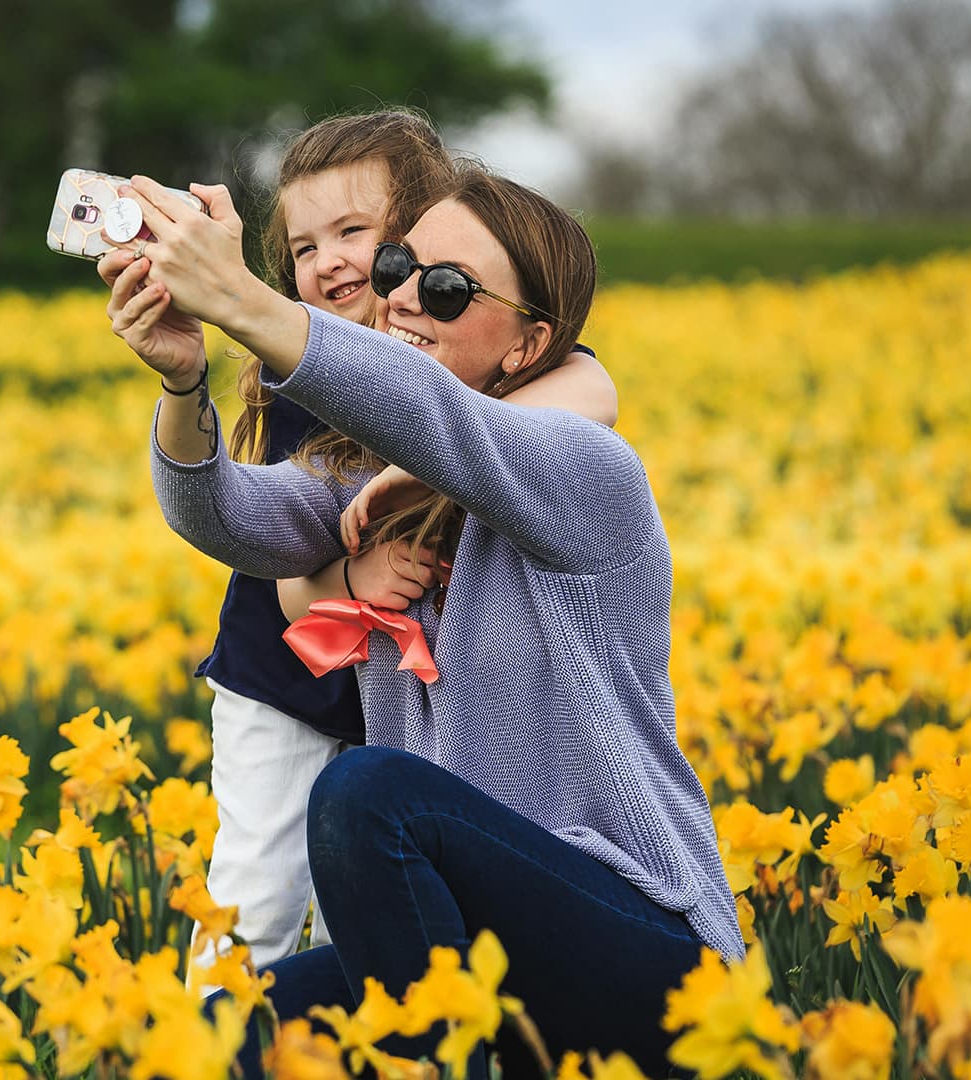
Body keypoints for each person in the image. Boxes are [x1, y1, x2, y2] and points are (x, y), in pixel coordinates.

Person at [119, 163, 740, 1075]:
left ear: (528, 348)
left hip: (654, 960)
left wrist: (240, 298)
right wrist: (182, 383)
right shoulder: (375, 483)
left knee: (369, 796)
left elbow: (442, 420)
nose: (404, 296)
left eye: (447, 289)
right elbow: (223, 518)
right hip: (483, 952)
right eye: (401, 265)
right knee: (214, 1037)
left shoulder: (585, 469)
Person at [97, 110, 618, 981]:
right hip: (289, 672)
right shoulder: (301, 366)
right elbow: (280, 567)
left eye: (353, 233)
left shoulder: (492, 361)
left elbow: (590, 393)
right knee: (255, 898)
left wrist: (439, 464)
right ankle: (207, 1041)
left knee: (372, 917)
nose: (328, 262)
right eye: (303, 248)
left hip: (407, 694)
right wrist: (352, 570)